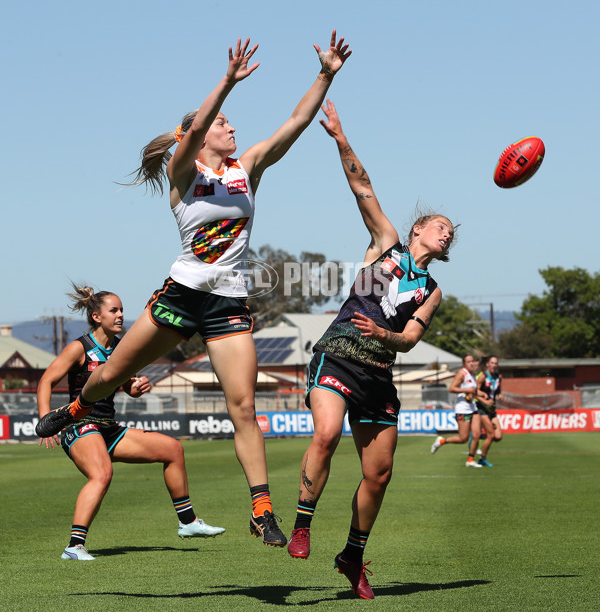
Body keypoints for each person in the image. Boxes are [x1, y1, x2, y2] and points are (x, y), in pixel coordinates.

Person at [36, 32, 352, 548]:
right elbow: (202, 123)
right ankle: (74, 411)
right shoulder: (183, 171)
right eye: (222, 124)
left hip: (228, 301)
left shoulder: (245, 169)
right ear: (198, 137)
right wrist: (226, 83)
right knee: (113, 372)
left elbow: (294, 124)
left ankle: (261, 508)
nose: (231, 128)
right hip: (181, 294)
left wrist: (326, 74)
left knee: (243, 406)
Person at [286, 100, 455, 599]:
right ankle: (302, 524)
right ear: (418, 229)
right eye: (440, 225)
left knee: (378, 474)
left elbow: (410, 339)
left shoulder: (432, 290)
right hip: (338, 354)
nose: (446, 234)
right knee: (325, 434)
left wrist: (388, 337)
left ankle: (352, 555)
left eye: (451, 234)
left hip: (378, 372)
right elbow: (362, 187)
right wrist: (340, 137)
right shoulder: (386, 245)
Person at [37, 285, 225, 561]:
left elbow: (127, 387)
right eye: (114, 310)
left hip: (107, 427)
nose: (121, 315)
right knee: (101, 475)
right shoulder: (80, 347)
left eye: (122, 309)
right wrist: (47, 420)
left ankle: (187, 522)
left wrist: (136, 388)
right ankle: (74, 547)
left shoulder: (120, 349)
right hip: (80, 425)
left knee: (172, 450)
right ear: (96, 316)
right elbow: (46, 381)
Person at [430, 354, 483, 467]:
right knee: (463, 438)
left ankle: (470, 460)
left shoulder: (473, 375)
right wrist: (466, 390)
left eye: (472, 361)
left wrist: (482, 395)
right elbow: (452, 388)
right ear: (464, 364)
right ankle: (442, 441)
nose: (472, 363)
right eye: (469, 362)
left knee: (477, 435)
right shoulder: (461, 374)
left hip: (472, 407)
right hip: (463, 409)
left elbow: (473, 391)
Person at [474, 355, 503, 466]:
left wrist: (500, 395)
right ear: (487, 364)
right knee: (491, 434)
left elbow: (498, 390)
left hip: (492, 410)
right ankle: (482, 458)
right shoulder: (482, 377)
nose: (494, 365)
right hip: (481, 408)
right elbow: (474, 392)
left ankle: (479, 436)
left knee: (498, 437)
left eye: (496, 363)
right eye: (492, 363)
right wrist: (484, 401)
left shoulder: (498, 377)